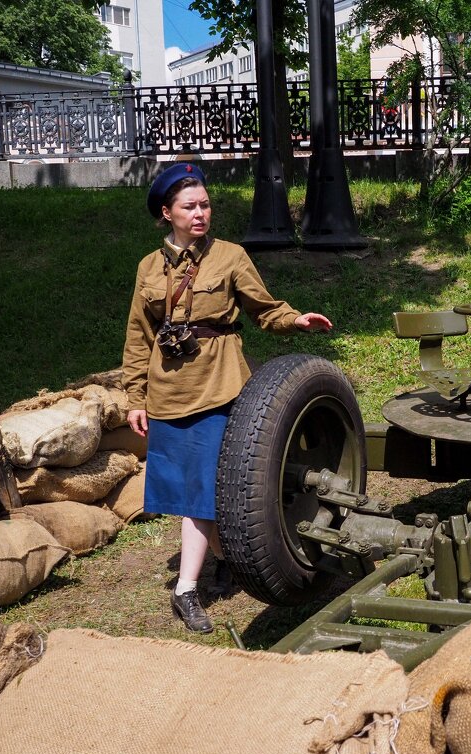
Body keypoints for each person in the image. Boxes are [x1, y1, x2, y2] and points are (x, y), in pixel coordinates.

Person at [122, 163, 332, 634]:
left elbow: (265, 308)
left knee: (207, 489)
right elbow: (139, 336)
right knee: (192, 490)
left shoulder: (230, 256)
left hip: (220, 386)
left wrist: (294, 320)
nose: (200, 214)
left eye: (205, 205)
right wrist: (136, 397)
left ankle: (186, 587)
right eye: (189, 207)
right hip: (169, 389)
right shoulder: (148, 268)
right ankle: (232, 561)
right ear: (166, 213)